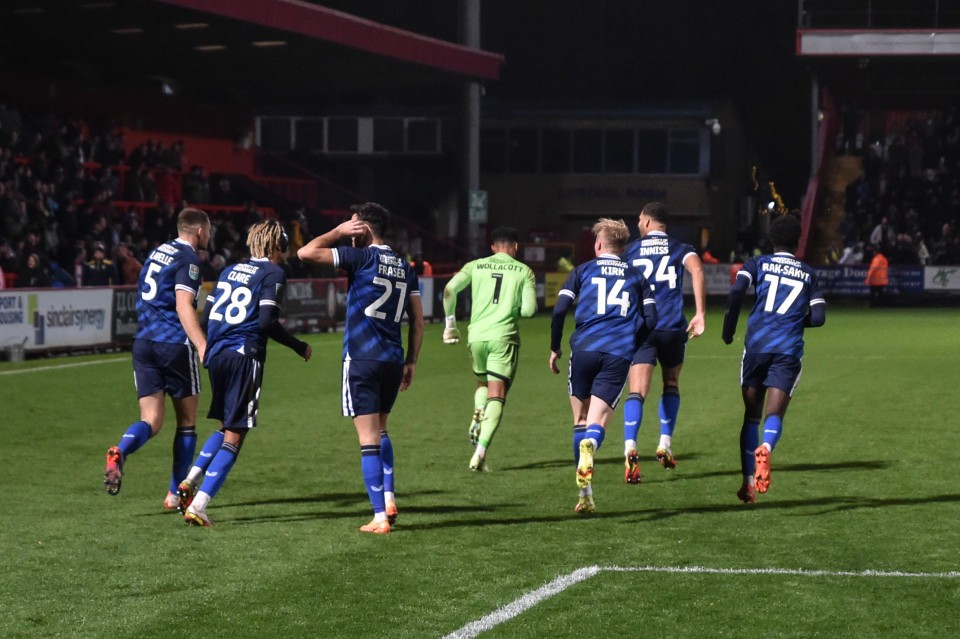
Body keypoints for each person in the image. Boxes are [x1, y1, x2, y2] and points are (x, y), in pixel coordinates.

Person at [298, 202, 424, 535]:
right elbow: (419, 322)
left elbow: (305, 252)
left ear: (363, 228)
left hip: (362, 360)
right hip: (393, 360)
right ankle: (390, 496)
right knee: (381, 431)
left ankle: (380, 516)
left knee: (368, 439)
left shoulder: (362, 257)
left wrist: (336, 233)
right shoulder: (403, 264)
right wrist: (412, 360)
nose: (348, 229)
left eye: (352, 224)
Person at [180, 220, 312, 526]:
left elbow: (209, 315)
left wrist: (211, 347)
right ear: (276, 245)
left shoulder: (228, 270)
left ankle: (190, 480)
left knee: (227, 425)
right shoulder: (274, 273)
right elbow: (266, 322)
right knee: (236, 435)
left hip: (217, 353)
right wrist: (298, 345)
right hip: (244, 355)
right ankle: (199, 505)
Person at [103, 207, 210, 510]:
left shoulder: (157, 252)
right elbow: (183, 305)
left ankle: (121, 451)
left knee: (150, 420)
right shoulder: (188, 258)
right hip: (174, 343)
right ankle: (175, 494)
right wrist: (201, 344)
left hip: (144, 342)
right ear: (200, 231)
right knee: (187, 421)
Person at [549, 218, 657, 514]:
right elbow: (652, 320)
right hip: (618, 353)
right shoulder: (636, 276)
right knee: (597, 423)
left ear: (598, 245)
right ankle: (592, 448)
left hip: (583, 349)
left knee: (580, 420)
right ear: (623, 247)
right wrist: (634, 343)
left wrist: (555, 346)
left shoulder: (582, 271)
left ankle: (585, 494)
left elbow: (559, 310)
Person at [721, 214, 825, 503]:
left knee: (751, 417)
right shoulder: (808, 273)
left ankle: (747, 485)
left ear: (771, 240)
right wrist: (792, 320)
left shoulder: (757, 264)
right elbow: (819, 318)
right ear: (797, 242)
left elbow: (737, 291)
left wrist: (728, 330)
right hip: (788, 350)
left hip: (756, 347)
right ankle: (766, 446)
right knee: (774, 414)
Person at [621, 202, 706, 483]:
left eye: (639, 220)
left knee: (637, 391)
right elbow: (697, 271)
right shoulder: (681, 247)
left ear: (646, 221)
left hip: (642, 327)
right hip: (671, 327)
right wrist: (701, 313)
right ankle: (665, 442)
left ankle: (630, 446)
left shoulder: (630, 251)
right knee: (671, 383)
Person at [442, 227, 537, 471]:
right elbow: (528, 311)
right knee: (498, 393)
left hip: (477, 336)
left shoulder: (476, 265)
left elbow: (450, 290)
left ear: (493, 247)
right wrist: (511, 308)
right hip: (503, 337)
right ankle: (481, 452)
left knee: (482, 384)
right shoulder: (524, 271)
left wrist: (450, 325)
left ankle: (478, 409)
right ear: (515, 247)